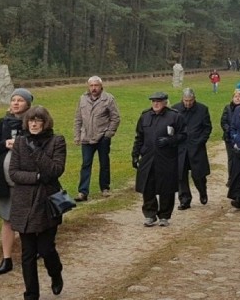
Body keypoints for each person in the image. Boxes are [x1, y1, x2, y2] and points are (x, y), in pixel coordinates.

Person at [8, 106, 66, 300]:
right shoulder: (20, 142)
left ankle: (55, 271)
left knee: (46, 248)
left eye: (38, 120)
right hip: (24, 203)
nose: (33, 124)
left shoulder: (56, 141)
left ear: (45, 122)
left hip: (47, 202)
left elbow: (55, 170)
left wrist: (37, 152)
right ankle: (31, 296)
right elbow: (14, 172)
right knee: (27, 254)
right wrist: (36, 178)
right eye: (30, 120)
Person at [0, 88, 33, 275]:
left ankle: (30, 253)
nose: (15, 103)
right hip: (5, 181)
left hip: (26, 181)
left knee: (28, 217)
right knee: (7, 219)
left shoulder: (34, 122)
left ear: (28, 105)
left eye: (20, 100)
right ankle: (6, 258)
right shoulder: (4, 122)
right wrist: (5, 144)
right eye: (13, 100)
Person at [132, 92, 186, 227]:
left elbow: (184, 135)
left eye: (158, 101)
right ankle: (150, 214)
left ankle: (164, 215)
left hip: (166, 158)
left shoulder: (174, 116)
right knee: (147, 186)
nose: (155, 104)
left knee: (166, 187)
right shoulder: (145, 116)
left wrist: (169, 140)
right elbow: (139, 137)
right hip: (148, 157)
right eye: (153, 101)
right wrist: (135, 154)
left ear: (165, 102)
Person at [73, 76, 121, 202]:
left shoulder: (108, 99)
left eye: (96, 85)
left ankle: (105, 188)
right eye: (91, 86)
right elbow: (78, 118)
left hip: (102, 137)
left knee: (104, 163)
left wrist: (109, 134)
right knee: (86, 164)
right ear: (88, 87)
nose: (94, 88)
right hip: (86, 137)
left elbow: (115, 118)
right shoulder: (82, 99)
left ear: (101, 86)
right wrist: (77, 135)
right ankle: (83, 192)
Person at [172, 88, 212, 209]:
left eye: (190, 100)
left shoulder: (202, 109)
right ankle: (184, 199)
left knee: (198, 174)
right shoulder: (175, 109)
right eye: (186, 100)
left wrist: (201, 141)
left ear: (194, 99)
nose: (188, 103)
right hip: (181, 147)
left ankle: (202, 191)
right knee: (181, 174)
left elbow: (207, 128)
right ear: (182, 99)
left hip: (196, 146)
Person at [220, 89, 240, 180]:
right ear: (232, 98)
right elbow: (223, 121)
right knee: (231, 158)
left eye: (239, 97)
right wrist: (229, 130)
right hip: (229, 137)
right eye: (235, 97)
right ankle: (231, 177)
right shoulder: (227, 108)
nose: (237, 98)